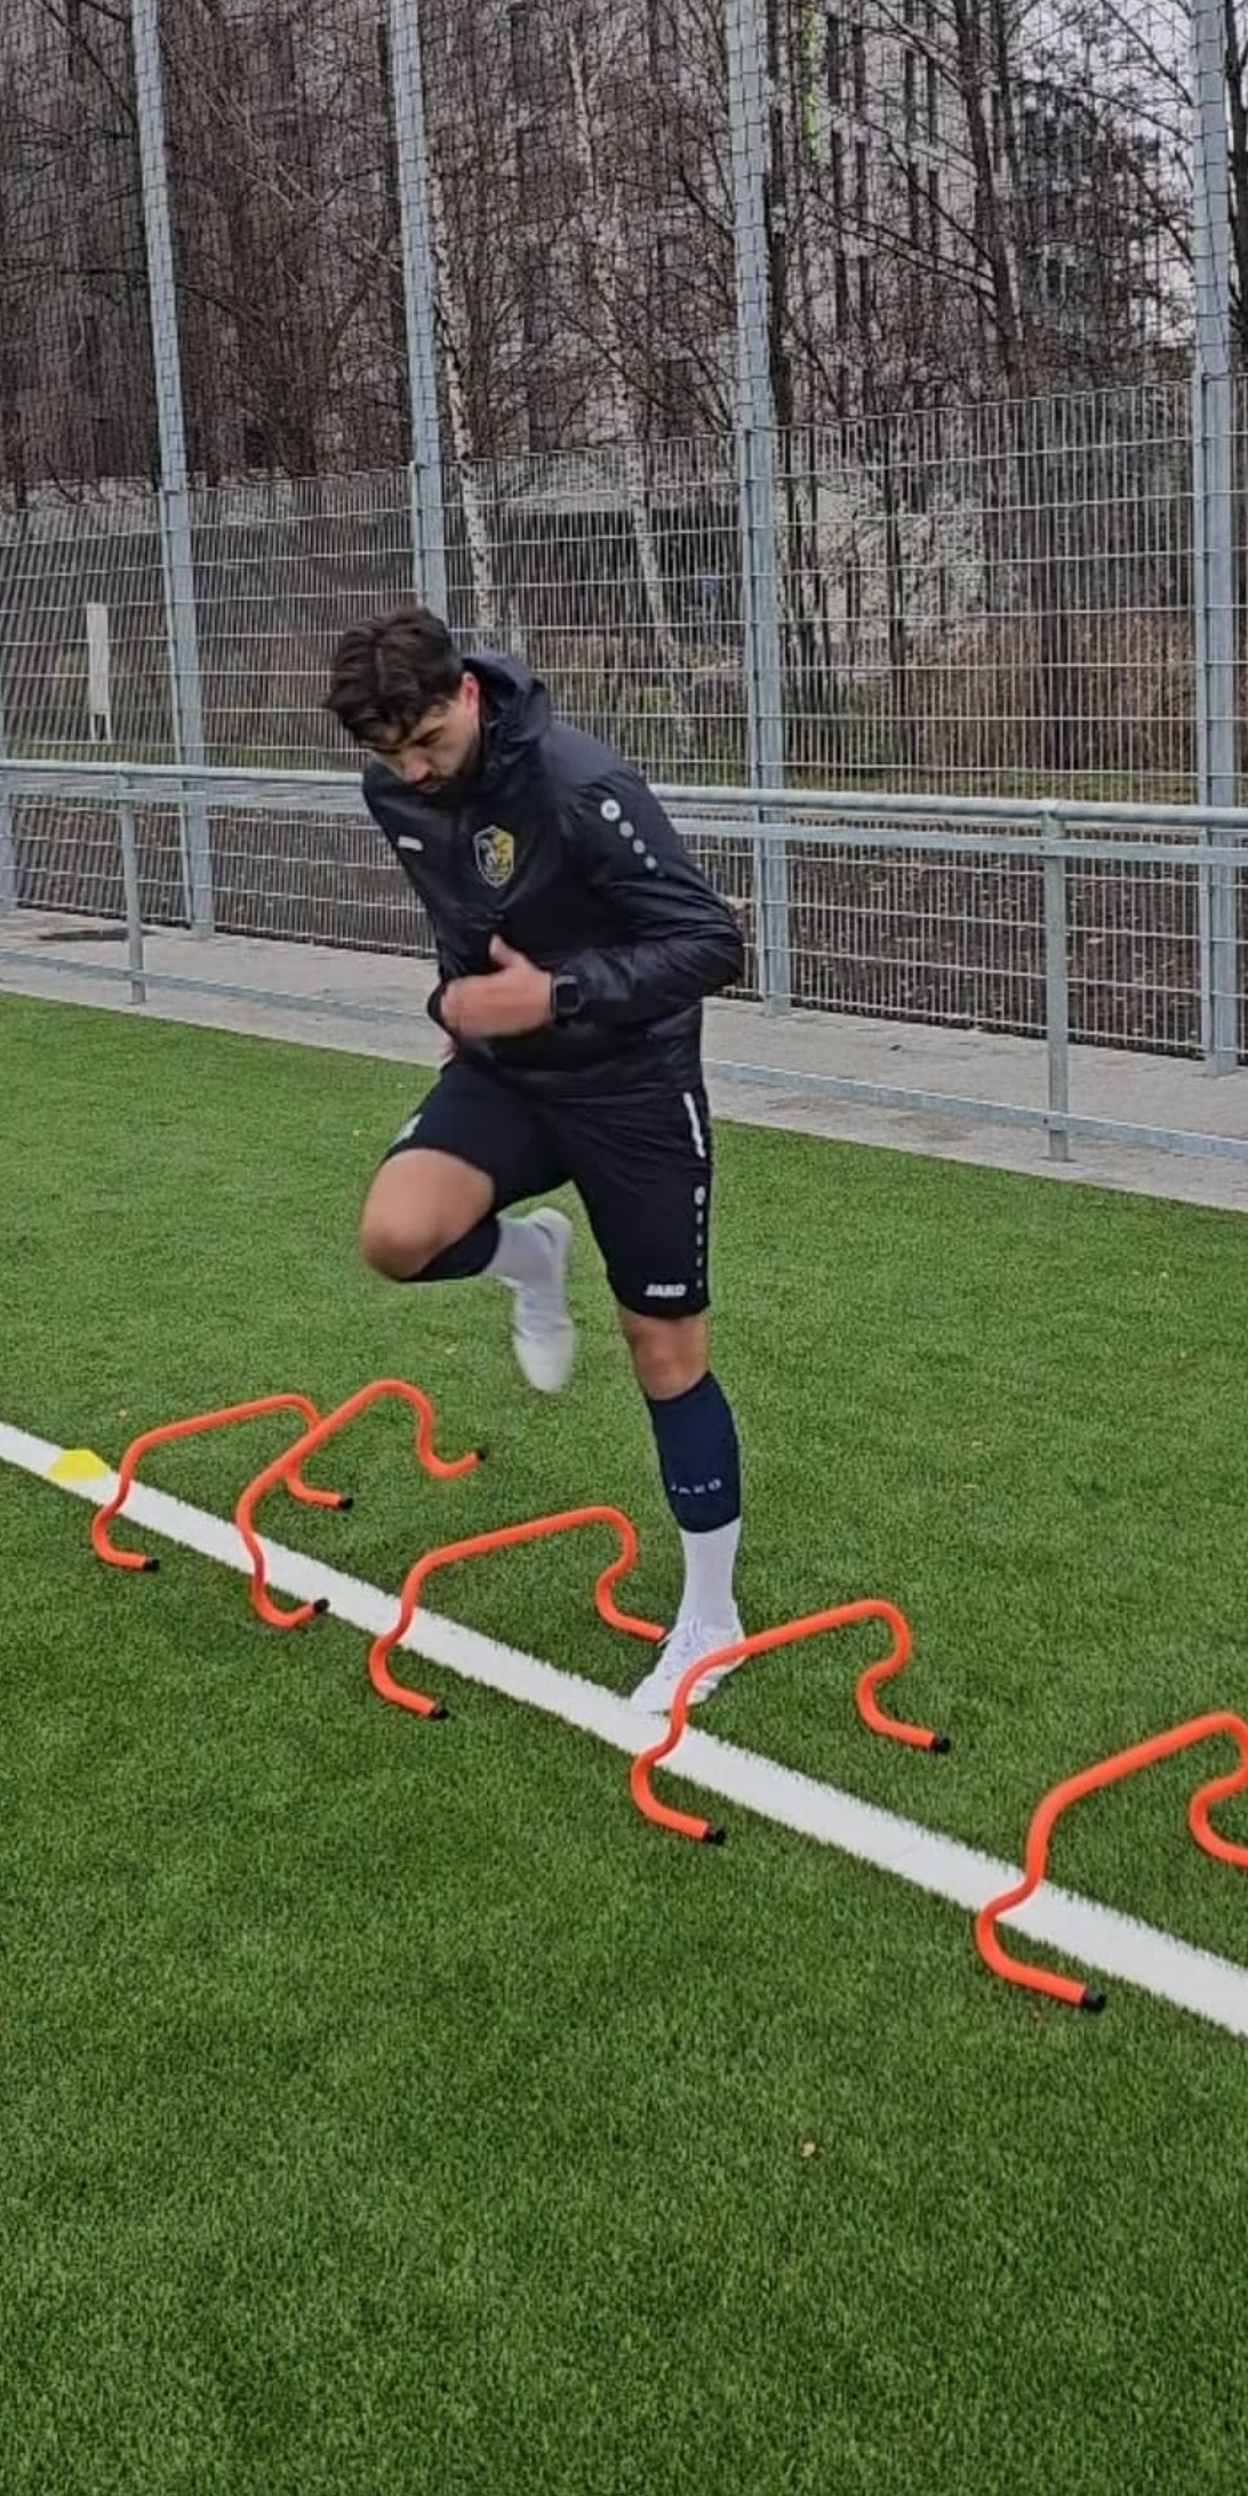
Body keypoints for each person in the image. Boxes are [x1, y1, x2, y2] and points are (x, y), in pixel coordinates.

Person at [327, 606, 748, 1709]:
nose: (412, 771)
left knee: (663, 1346)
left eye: (427, 742)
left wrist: (553, 992)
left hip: (633, 1087)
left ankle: (711, 1617)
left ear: (466, 692)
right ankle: (528, 1258)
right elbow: (469, 912)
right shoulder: (394, 791)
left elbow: (712, 941)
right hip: (510, 1073)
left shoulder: (577, 782)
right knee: (396, 1234)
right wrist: (463, 1000)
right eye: (390, 754)